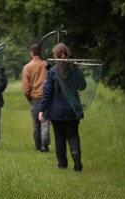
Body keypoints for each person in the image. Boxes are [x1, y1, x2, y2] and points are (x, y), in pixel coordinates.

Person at [38, 43, 87, 171]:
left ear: (55, 56)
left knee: (59, 137)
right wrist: (77, 70)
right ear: (67, 54)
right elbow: (83, 86)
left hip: (56, 112)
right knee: (73, 135)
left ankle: (62, 164)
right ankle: (75, 154)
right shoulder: (74, 70)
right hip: (72, 110)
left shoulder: (52, 72)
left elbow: (47, 93)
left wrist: (41, 110)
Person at [22, 43, 50, 152]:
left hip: (35, 99)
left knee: (36, 123)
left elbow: (25, 88)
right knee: (45, 121)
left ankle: (38, 146)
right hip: (47, 98)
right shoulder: (46, 64)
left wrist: (29, 97)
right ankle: (45, 145)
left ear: (31, 53)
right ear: (40, 52)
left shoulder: (27, 67)